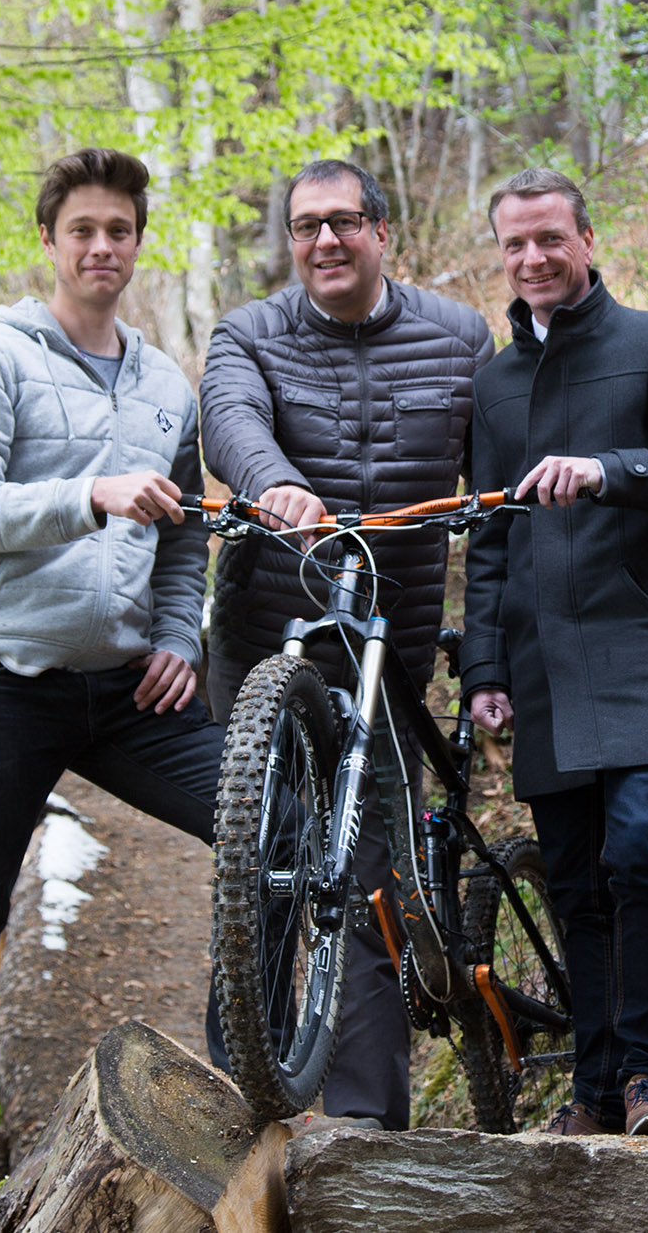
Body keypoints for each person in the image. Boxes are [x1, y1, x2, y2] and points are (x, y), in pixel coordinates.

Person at [0, 148, 221, 1233]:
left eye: (118, 230)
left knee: (270, 821)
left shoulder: (165, 381)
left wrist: (180, 633)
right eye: (80, 228)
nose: (100, 247)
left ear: (138, 241)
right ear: (48, 238)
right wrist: (88, 492)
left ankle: (253, 1083)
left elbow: (181, 539)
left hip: (126, 689)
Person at [459, 166, 648, 1137]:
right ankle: (592, 1090)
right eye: (516, 243)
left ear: (587, 240)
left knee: (642, 852)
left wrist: (609, 469)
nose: (535, 257)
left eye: (551, 237)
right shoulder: (494, 382)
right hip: (542, 665)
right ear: (501, 254)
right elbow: (493, 537)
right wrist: (487, 670)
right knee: (578, 883)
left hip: (642, 651)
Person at [198, 157, 493, 1130]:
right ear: (291, 242)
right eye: (306, 225)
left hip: (389, 652)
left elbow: (488, 492)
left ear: (380, 229)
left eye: (343, 222)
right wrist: (278, 483)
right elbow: (229, 421)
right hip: (269, 647)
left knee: (366, 880)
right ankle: (239, 1110)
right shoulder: (249, 331)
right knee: (263, 865)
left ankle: (368, 1122)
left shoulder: (458, 336)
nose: (325, 240)